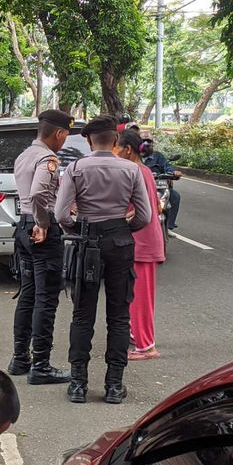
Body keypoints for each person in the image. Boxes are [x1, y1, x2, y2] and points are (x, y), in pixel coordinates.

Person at [55, 114, 151, 404]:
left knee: (82, 314)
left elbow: (61, 214)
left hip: (87, 243)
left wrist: (77, 228)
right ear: (116, 140)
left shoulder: (76, 168)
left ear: (88, 139)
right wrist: (122, 228)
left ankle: (78, 385)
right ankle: (113, 385)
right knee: (119, 316)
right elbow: (144, 216)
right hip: (120, 242)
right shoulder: (131, 170)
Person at [8, 109, 73, 385]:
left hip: (22, 229)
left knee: (28, 294)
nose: (64, 142)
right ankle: (41, 365)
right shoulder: (48, 158)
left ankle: (20, 357)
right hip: (40, 232)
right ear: (58, 133)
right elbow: (37, 194)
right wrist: (44, 223)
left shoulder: (25, 155)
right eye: (65, 136)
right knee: (46, 299)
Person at [116, 128, 165, 360]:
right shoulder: (143, 170)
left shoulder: (134, 171)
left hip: (142, 241)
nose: (113, 152)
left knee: (140, 297)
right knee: (136, 295)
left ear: (127, 150)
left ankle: (146, 346)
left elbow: (139, 208)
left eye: (116, 148)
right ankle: (139, 337)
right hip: (144, 240)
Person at [141, 139, 182, 231]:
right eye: (145, 143)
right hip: (140, 187)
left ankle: (169, 226)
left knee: (175, 196)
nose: (147, 146)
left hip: (158, 187)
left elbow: (167, 167)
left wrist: (173, 173)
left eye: (149, 144)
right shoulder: (134, 156)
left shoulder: (158, 156)